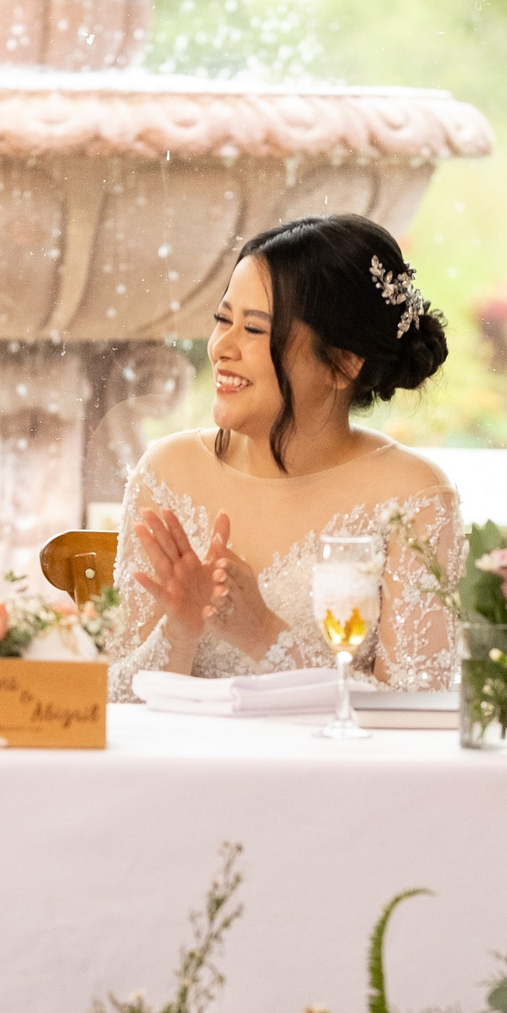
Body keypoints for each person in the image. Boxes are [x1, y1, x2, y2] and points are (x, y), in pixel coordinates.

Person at [103, 214, 459, 701]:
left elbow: (418, 713)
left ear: (341, 363)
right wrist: (180, 628)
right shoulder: (167, 473)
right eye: (223, 320)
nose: (222, 348)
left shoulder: (413, 497)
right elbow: (111, 703)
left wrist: (263, 635)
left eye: (254, 329)